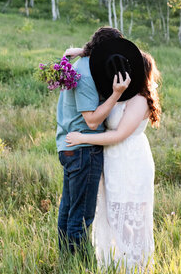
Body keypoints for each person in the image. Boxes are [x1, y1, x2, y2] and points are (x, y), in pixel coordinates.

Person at [66, 49, 161, 274]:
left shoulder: (140, 100)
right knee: (111, 210)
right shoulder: (122, 95)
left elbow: (119, 135)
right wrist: (85, 51)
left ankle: (133, 269)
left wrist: (83, 138)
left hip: (131, 158)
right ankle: (111, 265)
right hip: (113, 159)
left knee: (130, 213)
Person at [56, 26, 131, 255]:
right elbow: (92, 120)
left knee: (68, 212)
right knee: (80, 218)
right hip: (84, 150)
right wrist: (117, 94)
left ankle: (66, 264)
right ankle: (80, 268)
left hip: (71, 148)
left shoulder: (82, 65)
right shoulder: (87, 73)